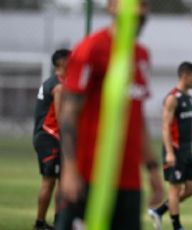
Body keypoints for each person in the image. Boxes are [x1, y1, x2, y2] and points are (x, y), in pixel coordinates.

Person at [57, 0, 163, 229]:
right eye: (137, 4)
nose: (141, 11)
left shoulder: (142, 55)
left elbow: (137, 116)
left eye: (145, 5)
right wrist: (70, 170)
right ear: (112, 6)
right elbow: (68, 114)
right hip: (88, 178)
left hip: (129, 182)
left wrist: (153, 168)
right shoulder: (91, 49)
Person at [148, 61, 192, 230]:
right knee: (174, 190)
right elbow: (165, 127)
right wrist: (169, 153)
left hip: (187, 151)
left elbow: (188, 128)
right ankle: (177, 226)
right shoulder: (172, 98)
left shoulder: (189, 98)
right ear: (184, 76)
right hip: (174, 150)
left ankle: (159, 211)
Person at [32, 49, 70, 230]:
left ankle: (58, 222)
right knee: (50, 180)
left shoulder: (52, 82)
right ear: (63, 63)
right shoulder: (59, 86)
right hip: (50, 137)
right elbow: (61, 117)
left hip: (47, 137)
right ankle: (40, 223)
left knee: (61, 179)